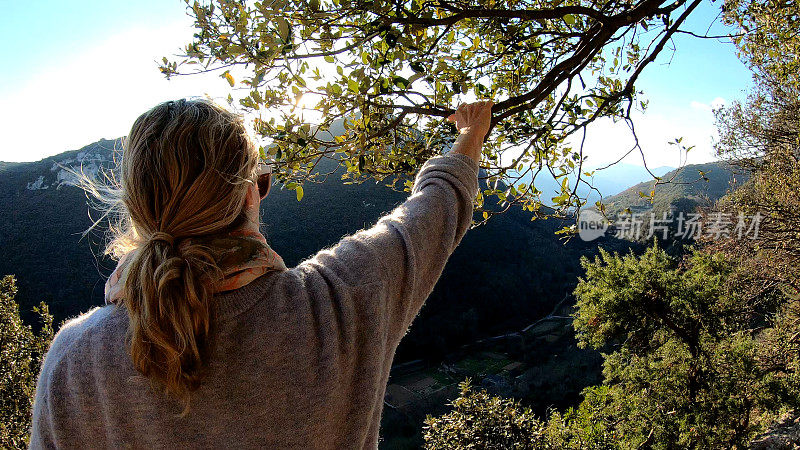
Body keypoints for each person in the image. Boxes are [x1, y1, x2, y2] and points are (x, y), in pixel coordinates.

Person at [29, 97, 493, 449]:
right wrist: (471, 134)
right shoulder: (339, 305)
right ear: (251, 193)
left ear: (135, 208)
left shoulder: (73, 363)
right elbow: (434, 211)